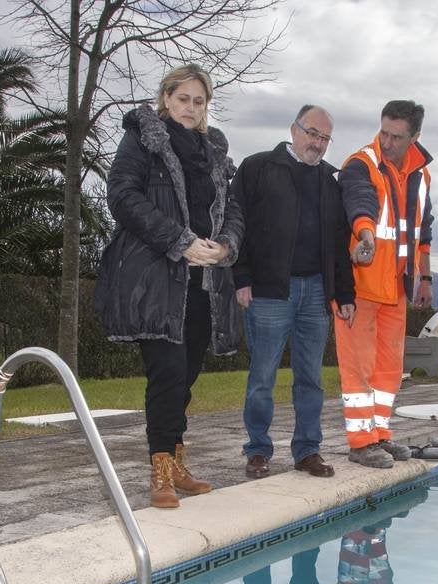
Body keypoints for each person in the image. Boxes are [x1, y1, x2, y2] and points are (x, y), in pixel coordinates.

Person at [93, 64, 243, 508]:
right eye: (183, 99)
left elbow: (233, 209)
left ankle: (176, 462)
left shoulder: (214, 152)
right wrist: (180, 242)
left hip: (204, 283)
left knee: (187, 376)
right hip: (156, 278)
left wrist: (226, 245)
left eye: (199, 101)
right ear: (166, 98)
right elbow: (122, 196)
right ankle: (160, 470)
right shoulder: (143, 137)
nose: (191, 109)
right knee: (167, 373)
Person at [231, 105, 356, 479]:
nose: (317, 143)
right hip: (269, 291)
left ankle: (307, 450)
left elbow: (338, 242)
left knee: (311, 378)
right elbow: (236, 224)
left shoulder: (329, 183)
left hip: (316, 292)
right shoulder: (256, 169)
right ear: (294, 129)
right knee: (263, 378)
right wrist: (241, 278)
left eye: (324, 138)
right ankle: (257, 450)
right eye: (311, 133)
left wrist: (345, 293)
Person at [336, 100, 434, 468]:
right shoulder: (361, 163)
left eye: (397, 137)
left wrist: (425, 276)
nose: (388, 142)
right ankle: (360, 443)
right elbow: (359, 201)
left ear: (415, 136)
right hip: (362, 285)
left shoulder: (420, 174)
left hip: (397, 286)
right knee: (357, 365)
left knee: (389, 367)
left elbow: (424, 229)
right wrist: (364, 234)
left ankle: (380, 434)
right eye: (384, 133)